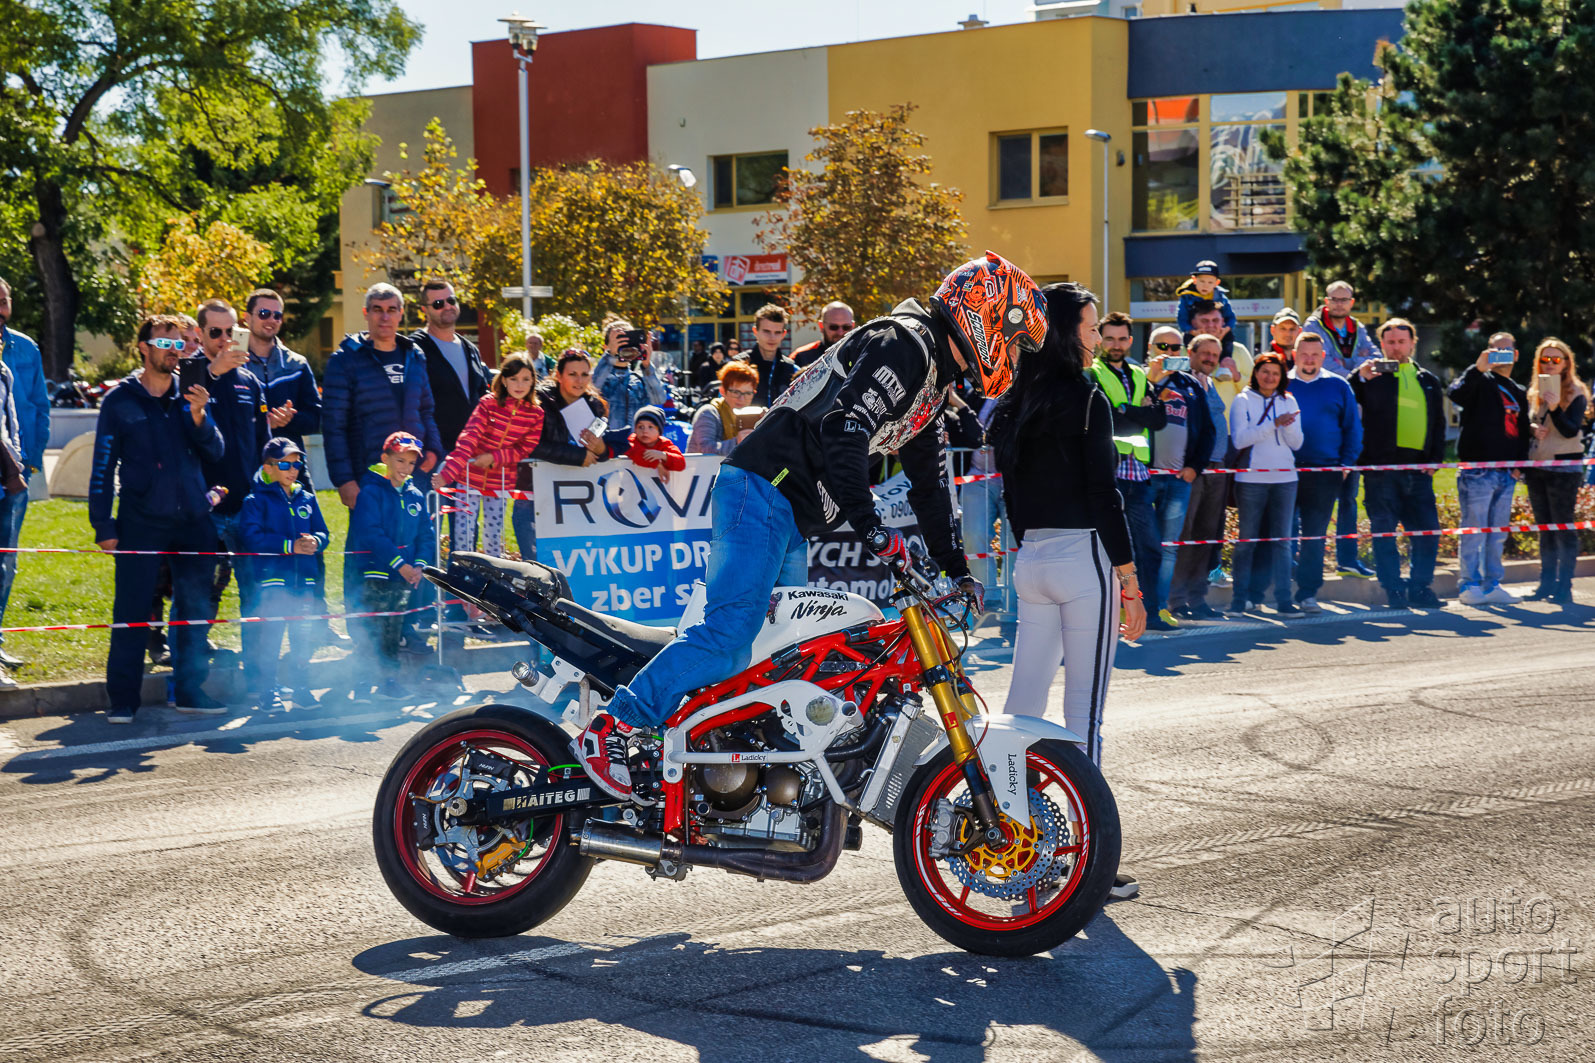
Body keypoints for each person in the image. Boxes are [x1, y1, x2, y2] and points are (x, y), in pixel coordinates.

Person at [573, 251, 1045, 802]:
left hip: (790, 512)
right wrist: (870, 527)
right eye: (1014, 341)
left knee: (777, 656)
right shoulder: (905, 343)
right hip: (761, 488)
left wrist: (957, 569)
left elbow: (931, 486)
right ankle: (616, 726)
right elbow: (846, 427)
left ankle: (722, 777)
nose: (1013, 355)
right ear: (988, 317)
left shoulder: (932, 379)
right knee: (731, 635)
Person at [990, 281, 1144, 901]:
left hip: (1031, 560)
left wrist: (1033, 546)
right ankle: (1090, 865)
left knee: (1019, 709)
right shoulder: (1086, 398)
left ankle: (1014, 844)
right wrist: (1129, 579)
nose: (1095, 337)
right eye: (1088, 326)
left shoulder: (1013, 400)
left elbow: (1010, 496)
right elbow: (1105, 494)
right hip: (1082, 560)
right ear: (1064, 332)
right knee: (1085, 715)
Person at [90, 316, 226, 723]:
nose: (173, 350)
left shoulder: (191, 394)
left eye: (178, 343)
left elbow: (216, 451)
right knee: (131, 611)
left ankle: (190, 692)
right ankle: (123, 700)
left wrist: (199, 416)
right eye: (164, 342)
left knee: (194, 611)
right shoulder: (120, 400)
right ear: (143, 348)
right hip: (140, 520)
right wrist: (103, 525)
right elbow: (102, 465)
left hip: (193, 520)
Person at [1352, 319, 1446, 609]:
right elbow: (1346, 398)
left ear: (1412, 343)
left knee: (1427, 532)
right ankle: (1393, 590)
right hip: (1381, 470)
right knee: (1384, 534)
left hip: (1419, 470)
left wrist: (1435, 460)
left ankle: (1420, 588)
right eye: (1390, 342)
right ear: (1381, 344)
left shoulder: (1428, 380)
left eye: (1401, 342)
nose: (1395, 348)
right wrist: (1359, 377)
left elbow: (1438, 424)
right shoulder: (1371, 377)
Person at [187, 299, 270, 622]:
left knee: (256, 592)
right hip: (203, 506)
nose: (224, 339)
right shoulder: (189, 371)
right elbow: (180, 420)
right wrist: (213, 373)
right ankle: (191, 652)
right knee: (197, 593)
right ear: (200, 333)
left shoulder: (249, 381)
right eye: (215, 332)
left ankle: (256, 655)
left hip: (245, 505)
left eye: (230, 331)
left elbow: (263, 444)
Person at [239, 438, 328, 712]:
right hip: (274, 583)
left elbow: (323, 532)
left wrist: (316, 541)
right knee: (271, 639)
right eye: (285, 464)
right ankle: (268, 692)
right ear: (268, 467)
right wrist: (289, 546)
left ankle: (301, 689)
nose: (293, 470)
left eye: (297, 464)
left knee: (302, 639)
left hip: (305, 583)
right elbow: (251, 538)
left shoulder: (307, 498)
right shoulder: (255, 501)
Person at [1088, 312, 1166, 628]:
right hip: (1111, 473)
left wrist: (1125, 410)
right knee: (1116, 551)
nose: (1116, 345)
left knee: (1150, 548)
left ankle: (1152, 612)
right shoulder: (1092, 374)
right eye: (1109, 338)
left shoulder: (1138, 373)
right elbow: (1109, 421)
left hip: (1139, 475)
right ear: (1100, 340)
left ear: (1131, 341)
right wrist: (1137, 413)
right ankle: (1115, 613)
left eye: (1122, 339)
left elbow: (1159, 419)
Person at [343, 432, 433, 700]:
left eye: (411, 463)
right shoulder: (371, 492)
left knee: (393, 630)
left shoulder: (416, 494)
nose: (406, 468)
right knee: (370, 630)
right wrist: (400, 564)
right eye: (400, 461)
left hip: (404, 576)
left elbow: (426, 535)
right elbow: (371, 534)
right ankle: (362, 684)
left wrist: (418, 566)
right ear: (385, 459)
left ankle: (389, 682)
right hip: (375, 574)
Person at [431, 353, 544, 558]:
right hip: (469, 478)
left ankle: (492, 574)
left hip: (500, 482)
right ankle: (463, 571)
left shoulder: (535, 414)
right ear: (504, 380)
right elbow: (469, 437)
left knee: (494, 536)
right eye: (514, 379)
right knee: (464, 533)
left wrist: (495, 457)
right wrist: (448, 473)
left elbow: (525, 448)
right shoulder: (488, 404)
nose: (520, 385)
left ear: (533, 381)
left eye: (525, 379)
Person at [1446, 333, 1529, 606]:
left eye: (1506, 350)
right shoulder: (1479, 381)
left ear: (1515, 355)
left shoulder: (1518, 390)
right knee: (1474, 531)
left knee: (1497, 534)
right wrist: (1477, 368)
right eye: (1496, 349)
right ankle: (1469, 584)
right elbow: (1455, 393)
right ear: (1488, 352)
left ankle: (1493, 584)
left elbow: (1523, 431)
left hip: (1506, 473)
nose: (1501, 354)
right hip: (1477, 471)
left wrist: (1519, 466)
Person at [1142, 328, 1216, 629]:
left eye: (1175, 348)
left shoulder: (1191, 385)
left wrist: (1195, 467)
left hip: (1178, 480)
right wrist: (1152, 382)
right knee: (1140, 545)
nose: (1169, 352)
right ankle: (1135, 607)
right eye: (1163, 346)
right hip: (1143, 477)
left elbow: (1208, 429)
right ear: (1149, 347)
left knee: (1169, 547)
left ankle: (1160, 608)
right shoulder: (1139, 379)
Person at [1288, 332, 1363, 614]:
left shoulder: (1338, 385)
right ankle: (1281, 590)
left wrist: (1345, 464)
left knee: (1314, 536)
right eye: (1303, 354)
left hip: (1325, 471)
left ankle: (1307, 593)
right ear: (1294, 355)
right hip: (1284, 471)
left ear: (1323, 356)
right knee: (1282, 534)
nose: (1309, 359)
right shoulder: (1281, 383)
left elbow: (1353, 428)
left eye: (1314, 354)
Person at [512, 350, 611, 560]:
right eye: (572, 374)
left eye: (584, 374)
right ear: (558, 375)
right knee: (536, 564)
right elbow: (529, 445)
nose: (579, 380)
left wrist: (602, 449)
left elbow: (601, 453)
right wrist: (577, 456)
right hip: (533, 494)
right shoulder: (537, 401)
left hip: (577, 497)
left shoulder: (595, 405)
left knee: (575, 561)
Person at [1227, 352, 1304, 615]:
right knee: (1247, 541)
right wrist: (1274, 424)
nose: (1270, 377)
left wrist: (1287, 426)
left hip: (1285, 478)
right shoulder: (1242, 400)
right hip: (1251, 479)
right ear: (1256, 373)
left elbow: (1297, 443)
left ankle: (1284, 601)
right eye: (1265, 372)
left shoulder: (1289, 400)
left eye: (1275, 373)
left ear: (1282, 376)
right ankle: (1239, 600)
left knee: (1282, 542)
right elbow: (1240, 440)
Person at [0, 277, 47, 677]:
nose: (0, 310)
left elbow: (39, 406)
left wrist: (29, 462)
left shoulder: (26, 348)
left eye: (3, 301)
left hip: (17, 477)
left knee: (7, 563)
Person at [1167, 334, 1232, 621]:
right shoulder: (1180, 382)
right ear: (1190, 352)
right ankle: (1177, 600)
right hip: (1191, 468)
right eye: (1204, 353)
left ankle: (1198, 598)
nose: (1210, 358)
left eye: (1214, 355)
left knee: (1207, 535)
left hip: (1216, 468)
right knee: (1186, 535)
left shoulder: (1211, 382)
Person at [1523, 338, 1589, 606]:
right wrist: (1532, 428)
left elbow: (1570, 430)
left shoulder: (1576, 392)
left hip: (1564, 468)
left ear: (1565, 364)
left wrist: (1554, 408)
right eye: (1544, 359)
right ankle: (1546, 583)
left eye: (1555, 359)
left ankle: (1565, 586)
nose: (1549, 364)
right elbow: (1529, 423)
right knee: (1545, 528)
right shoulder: (1534, 391)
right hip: (1537, 465)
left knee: (1562, 527)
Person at [593, 318, 667, 429]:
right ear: (605, 347)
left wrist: (647, 365)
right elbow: (592, 388)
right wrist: (610, 355)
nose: (625, 346)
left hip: (633, 439)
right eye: (619, 340)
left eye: (629, 341)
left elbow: (659, 399)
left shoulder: (638, 379)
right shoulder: (600, 376)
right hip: (605, 439)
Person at [1302, 280, 1377, 377]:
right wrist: (1357, 370)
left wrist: (1346, 363)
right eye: (1334, 299)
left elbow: (1376, 357)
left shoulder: (1358, 326)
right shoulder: (1313, 325)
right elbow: (1323, 362)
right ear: (1326, 301)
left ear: (1352, 302)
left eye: (1344, 300)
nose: (1339, 304)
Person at [687, 361, 759, 455]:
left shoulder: (754, 416)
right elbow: (705, 449)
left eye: (748, 393)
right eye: (736, 392)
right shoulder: (708, 413)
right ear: (722, 391)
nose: (741, 398)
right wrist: (737, 442)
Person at [1191, 301, 1252, 412]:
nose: (1211, 325)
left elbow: (1256, 390)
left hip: (1229, 422)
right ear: (1194, 323)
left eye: (1215, 320)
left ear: (1223, 322)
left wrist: (1237, 376)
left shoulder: (1239, 350)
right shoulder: (1181, 351)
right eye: (1204, 321)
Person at [1175, 260, 1236, 359]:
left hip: (1218, 332)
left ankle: (1225, 360)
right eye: (1202, 281)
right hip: (1196, 331)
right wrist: (1192, 331)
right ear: (1194, 280)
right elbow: (1182, 319)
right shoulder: (1186, 296)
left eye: (1210, 282)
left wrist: (1225, 330)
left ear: (1217, 283)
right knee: (1187, 340)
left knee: (1229, 339)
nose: (1205, 285)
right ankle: (1192, 361)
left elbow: (1231, 317)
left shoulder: (1220, 296)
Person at [741, 303, 799, 407]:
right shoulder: (739, 365)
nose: (772, 337)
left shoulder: (792, 369)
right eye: (766, 331)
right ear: (755, 331)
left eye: (777, 332)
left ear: (783, 334)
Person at [624, 406, 686, 484]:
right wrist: (658, 465)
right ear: (635, 429)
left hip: (660, 486)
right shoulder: (631, 440)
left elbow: (681, 464)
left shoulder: (665, 443)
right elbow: (635, 452)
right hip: (631, 485)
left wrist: (663, 455)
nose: (645, 431)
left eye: (650, 427)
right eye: (640, 427)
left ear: (659, 431)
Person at [791, 301, 856, 368]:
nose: (840, 332)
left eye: (846, 327)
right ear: (821, 326)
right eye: (833, 327)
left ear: (853, 326)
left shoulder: (860, 356)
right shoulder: (801, 356)